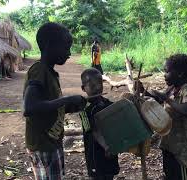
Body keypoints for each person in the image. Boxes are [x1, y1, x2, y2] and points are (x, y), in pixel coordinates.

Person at [23, 22, 87, 180]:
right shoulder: (39, 71)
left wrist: (69, 105)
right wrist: (65, 100)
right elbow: (30, 107)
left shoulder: (50, 73)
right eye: (66, 47)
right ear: (49, 45)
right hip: (42, 144)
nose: (69, 53)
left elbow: (49, 106)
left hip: (51, 142)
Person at [143, 54, 187, 180]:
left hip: (181, 149)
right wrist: (144, 91)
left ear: (180, 74)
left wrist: (167, 99)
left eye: (167, 72)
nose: (164, 75)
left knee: (180, 175)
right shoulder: (172, 88)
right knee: (170, 174)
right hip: (168, 144)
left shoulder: (186, 89)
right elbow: (158, 97)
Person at [79, 68, 119, 180]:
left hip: (111, 150)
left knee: (109, 175)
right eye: (92, 86)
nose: (97, 88)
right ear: (83, 88)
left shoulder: (107, 103)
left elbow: (119, 111)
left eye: (100, 84)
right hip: (95, 154)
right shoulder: (84, 110)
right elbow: (92, 130)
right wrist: (106, 146)